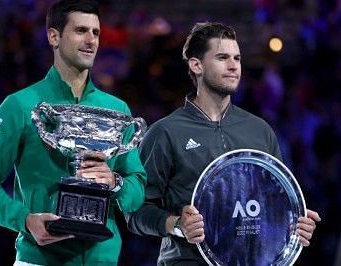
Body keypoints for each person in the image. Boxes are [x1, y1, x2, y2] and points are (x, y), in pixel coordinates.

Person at [126, 22, 321, 265]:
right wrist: (176, 225)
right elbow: (135, 212)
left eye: (237, 58)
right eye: (222, 57)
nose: (233, 66)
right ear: (196, 65)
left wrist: (294, 224)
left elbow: (275, 203)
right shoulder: (165, 132)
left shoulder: (259, 130)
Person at [0, 1, 146, 265]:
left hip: (103, 259)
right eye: (80, 30)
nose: (91, 40)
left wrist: (115, 183)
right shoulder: (20, 105)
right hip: (40, 259)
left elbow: (137, 189)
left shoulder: (116, 110)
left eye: (96, 33)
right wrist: (25, 220)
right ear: (54, 36)